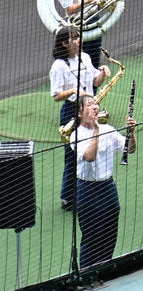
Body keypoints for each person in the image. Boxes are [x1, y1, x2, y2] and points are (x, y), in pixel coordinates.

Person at [72, 94, 136, 268]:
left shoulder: (109, 129)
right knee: (91, 236)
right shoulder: (76, 135)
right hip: (87, 190)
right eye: (89, 105)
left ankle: (105, 269)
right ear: (79, 112)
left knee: (109, 233)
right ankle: (86, 274)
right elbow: (89, 157)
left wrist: (132, 132)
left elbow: (129, 149)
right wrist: (96, 130)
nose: (95, 107)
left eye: (96, 104)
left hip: (108, 188)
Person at [50, 26, 109, 211]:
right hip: (72, 110)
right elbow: (56, 95)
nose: (78, 40)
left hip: (89, 110)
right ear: (64, 43)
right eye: (74, 38)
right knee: (73, 155)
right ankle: (69, 198)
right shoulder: (59, 66)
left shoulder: (85, 57)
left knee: (92, 150)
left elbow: (94, 82)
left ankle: (87, 192)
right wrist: (74, 91)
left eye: (78, 37)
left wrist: (103, 73)